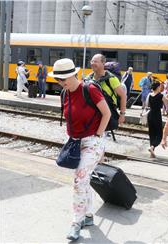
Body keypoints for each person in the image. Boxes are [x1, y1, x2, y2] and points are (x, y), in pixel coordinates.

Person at [48, 58, 111, 241]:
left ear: (72, 75)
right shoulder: (65, 93)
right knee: (84, 179)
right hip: (75, 141)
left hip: (93, 141)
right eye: (58, 80)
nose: (60, 83)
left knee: (79, 181)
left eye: (63, 79)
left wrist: (98, 137)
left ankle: (77, 221)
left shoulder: (89, 90)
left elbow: (106, 113)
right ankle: (89, 215)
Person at [88, 54, 127, 125]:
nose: (93, 63)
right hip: (92, 116)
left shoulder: (111, 79)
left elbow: (123, 96)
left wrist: (122, 114)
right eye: (92, 61)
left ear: (103, 63)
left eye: (95, 61)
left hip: (107, 116)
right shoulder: (88, 78)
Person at [146, 82, 168, 158]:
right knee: (159, 135)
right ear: (157, 87)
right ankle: (152, 147)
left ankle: (151, 153)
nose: (160, 88)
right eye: (160, 87)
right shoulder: (161, 95)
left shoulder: (149, 95)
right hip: (157, 115)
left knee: (152, 133)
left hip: (150, 115)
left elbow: (147, 105)